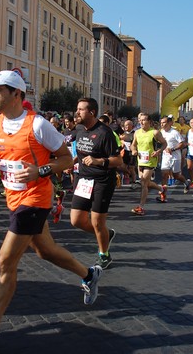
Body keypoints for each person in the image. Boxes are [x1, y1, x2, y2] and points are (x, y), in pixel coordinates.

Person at [0, 71, 102, 351]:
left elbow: (65, 158)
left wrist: (41, 170)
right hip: (13, 198)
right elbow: (0, 158)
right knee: (45, 250)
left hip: (35, 199)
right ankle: (89, 274)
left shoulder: (37, 125)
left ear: (16, 94)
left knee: (5, 261)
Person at [70, 98, 121, 270]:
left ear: (91, 112)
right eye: (77, 109)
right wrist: (69, 164)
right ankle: (106, 234)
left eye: (81, 109)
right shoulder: (79, 130)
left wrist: (98, 161)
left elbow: (118, 160)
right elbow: (80, 153)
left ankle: (104, 255)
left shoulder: (105, 132)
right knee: (76, 220)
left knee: (97, 221)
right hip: (83, 180)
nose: (77, 112)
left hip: (102, 181)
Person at [130, 113, 167, 215]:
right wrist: (133, 150)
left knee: (143, 183)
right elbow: (133, 145)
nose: (141, 122)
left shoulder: (155, 132)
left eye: (144, 120)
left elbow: (164, 143)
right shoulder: (137, 133)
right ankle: (161, 189)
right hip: (140, 161)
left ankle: (141, 207)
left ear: (149, 122)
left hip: (150, 161)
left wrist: (158, 151)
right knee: (145, 183)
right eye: (140, 120)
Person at [159, 116, 190, 193]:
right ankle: (163, 195)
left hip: (175, 157)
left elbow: (182, 144)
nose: (162, 124)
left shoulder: (174, 132)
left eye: (164, 122)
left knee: (176, 175)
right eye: (161, 123)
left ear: (169, 123)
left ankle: (186, 183)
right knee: (164, 175)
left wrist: (172, 149)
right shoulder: (161, 132)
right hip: (166, 156)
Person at [119, 119, 138, 186]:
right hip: (124, 152)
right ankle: (126, 177)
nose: (126, 126)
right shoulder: (122, 133)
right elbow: (119, 140)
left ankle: (133, 181)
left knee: (131, 167)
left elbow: (135, 141)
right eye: (125, 125)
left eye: (128, 125)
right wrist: (122, 142)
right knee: (123, 166)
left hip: (132, 152)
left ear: (131, 126)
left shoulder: (134, 133)